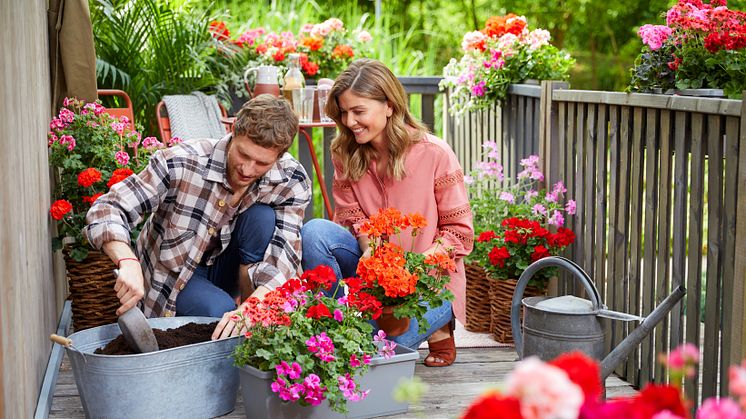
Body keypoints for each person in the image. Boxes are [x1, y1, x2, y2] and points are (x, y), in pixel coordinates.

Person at [84, 95, 311, 340]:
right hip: (176, 278)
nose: (247, 169)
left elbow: (284, 254)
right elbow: (106, 209)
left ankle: (247, 318)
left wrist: (253, 308)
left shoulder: (291, 180)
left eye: (261, 163)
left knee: (262, 217)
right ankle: (226, 313)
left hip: (233, 270)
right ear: (233, 131)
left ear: (279, 157)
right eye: (243, 155)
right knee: (216, 314)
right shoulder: (182, 162)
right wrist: (127, 261)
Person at [301, 59, 473, 367]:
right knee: (314, 232)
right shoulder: (345, 152)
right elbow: (351, 216)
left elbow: (459, 231)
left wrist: (413, 271)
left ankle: (439, 325)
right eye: (343, 112)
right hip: (371, 278)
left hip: (427, 284)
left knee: (373, 354)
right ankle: (335, 323)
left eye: (358, 111)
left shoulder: (434, 153)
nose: (349, 121)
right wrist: (370, 250)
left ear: (389, 106)